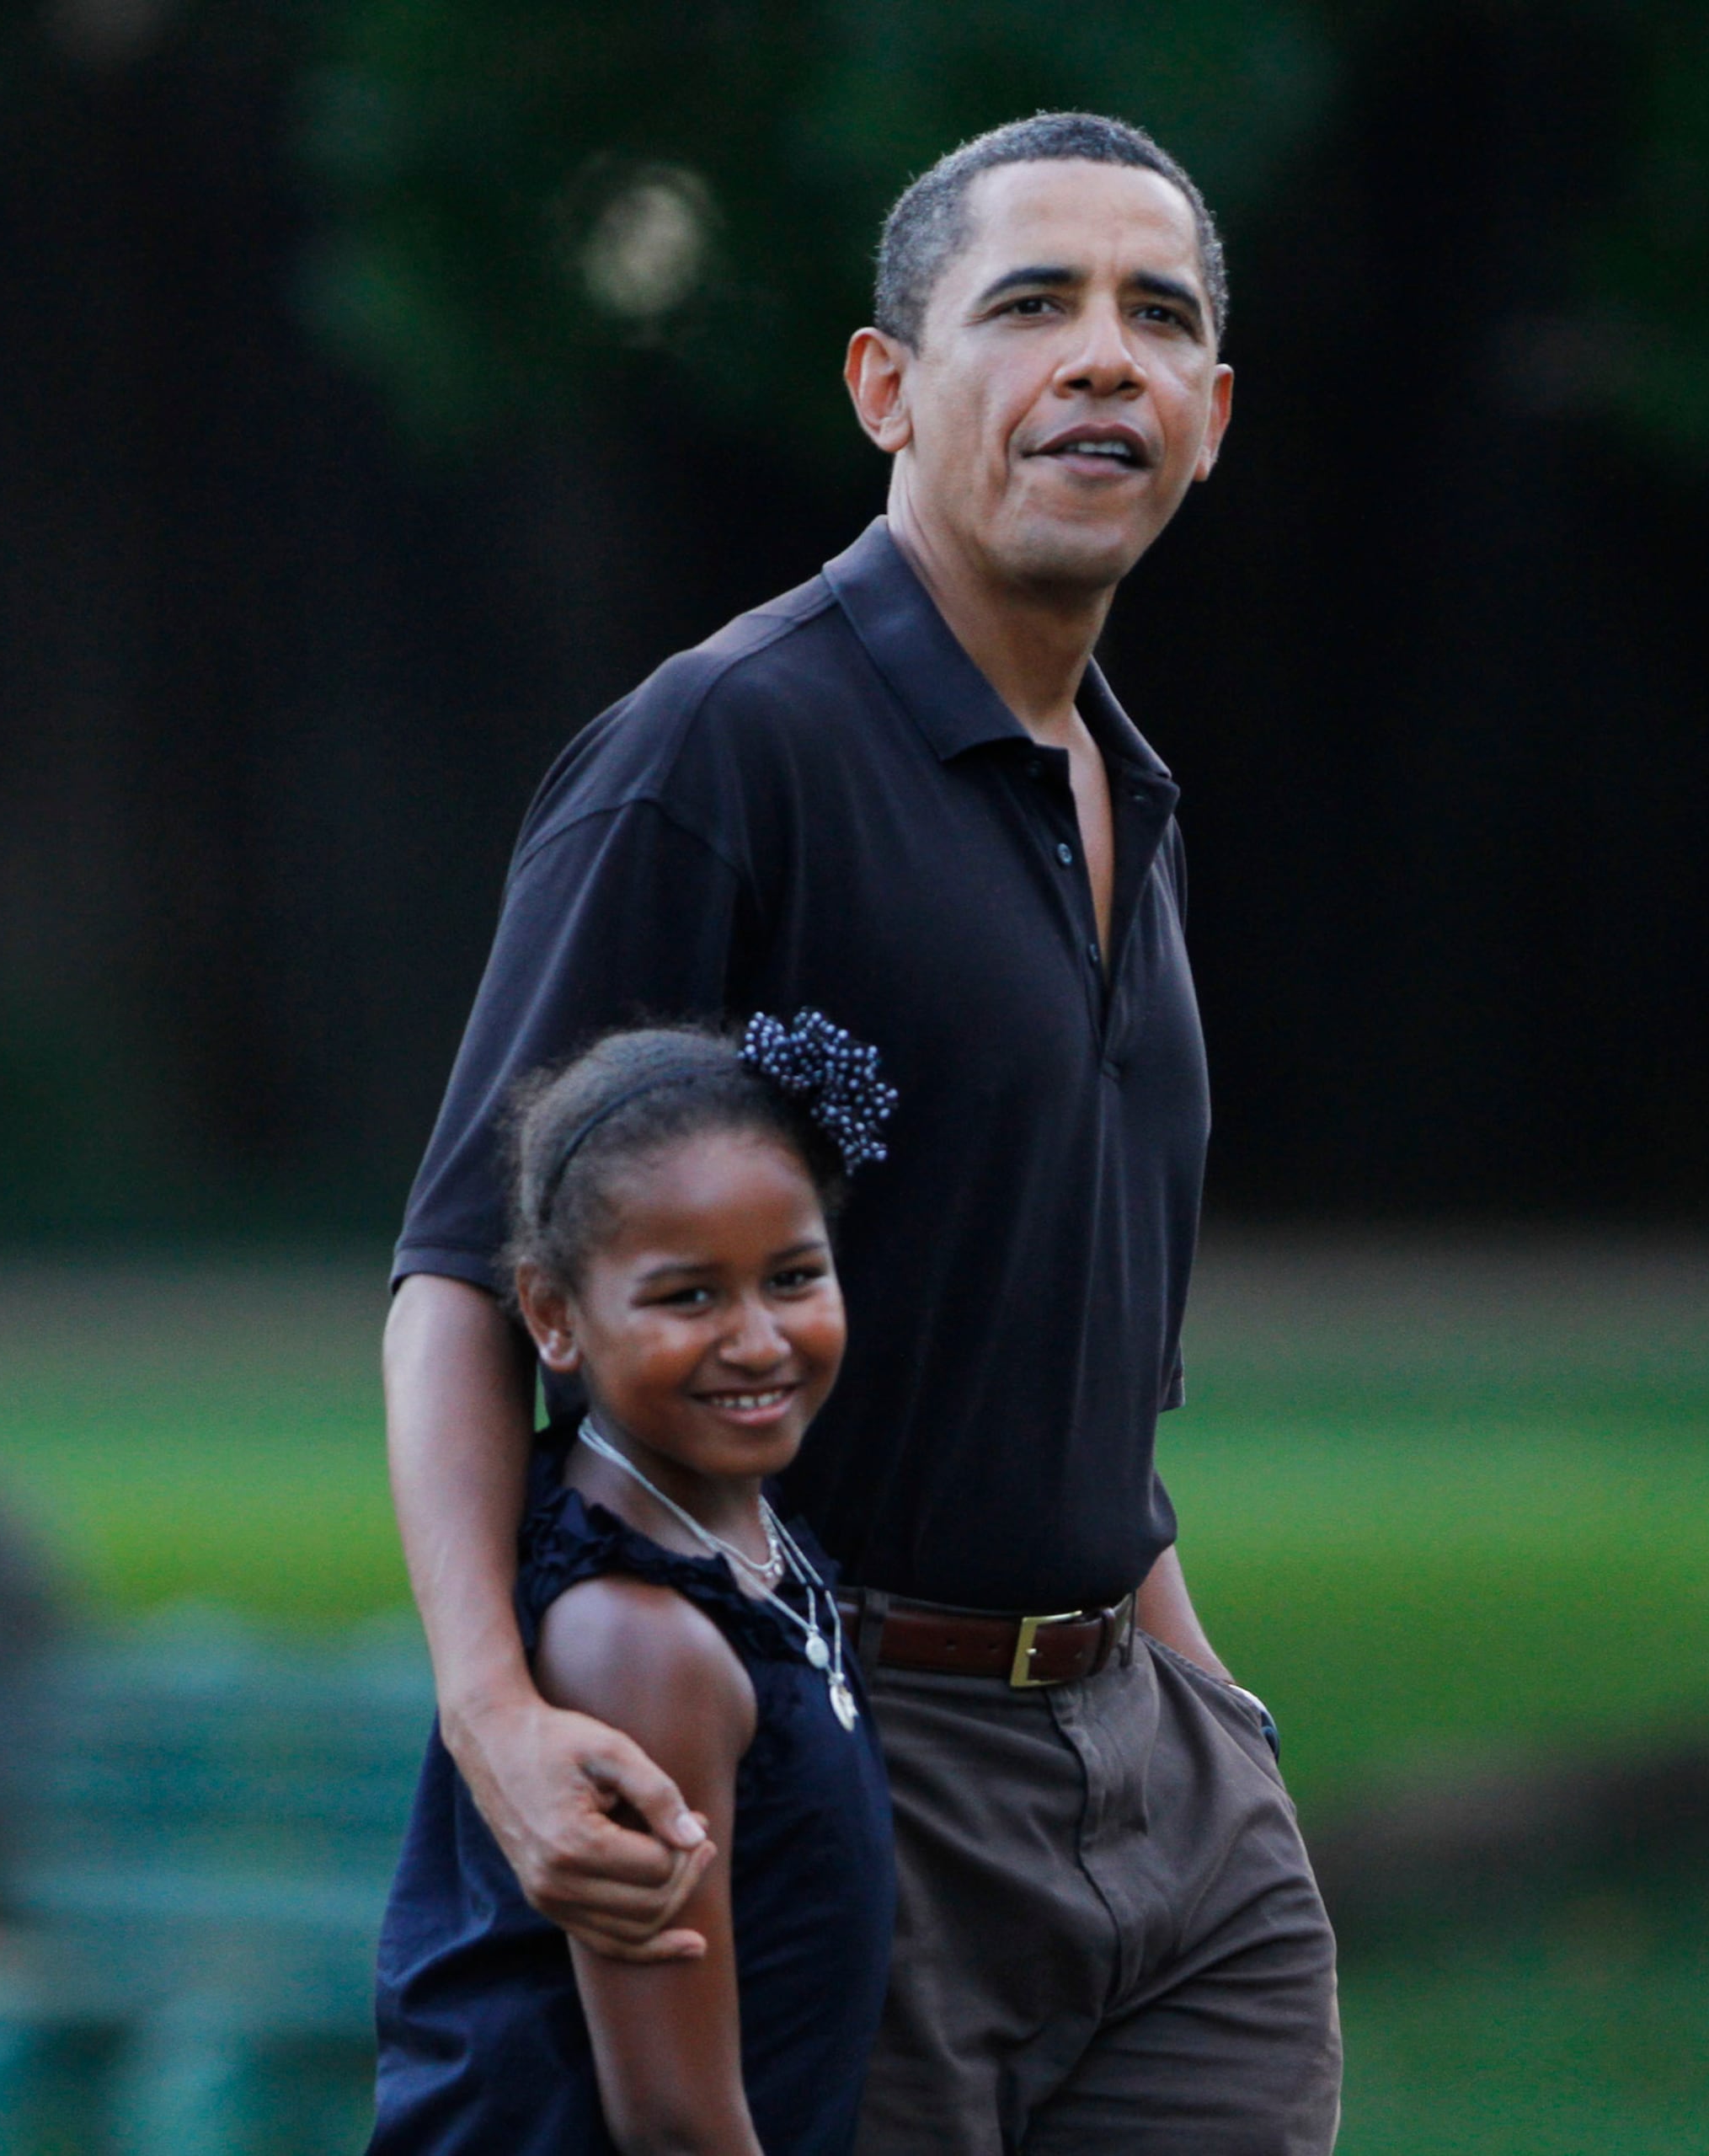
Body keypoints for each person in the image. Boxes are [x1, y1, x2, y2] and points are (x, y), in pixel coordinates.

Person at [383, 111, 1340, 2154]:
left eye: (1158, 319)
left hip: (1163, 1792)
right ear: (886, 386)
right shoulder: (723, 748)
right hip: (845, 1754)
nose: (1106, 359)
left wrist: (1201, 1704)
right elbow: (468, 1268)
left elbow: (1075, 1339)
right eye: (1033, 306)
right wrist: (498, 1713)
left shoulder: (1124, 794)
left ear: (1215, 414)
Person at [372, 1015, 900, 2156]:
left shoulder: (754, 1546)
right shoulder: (639, 1640)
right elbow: (671, 2117)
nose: (758, 1340)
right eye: (689, 1298)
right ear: (555, 1316)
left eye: (794, 1278)